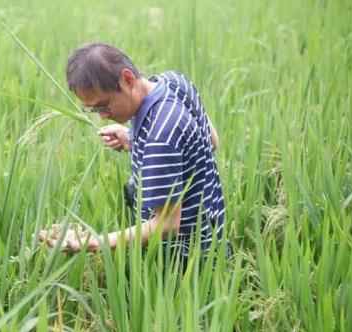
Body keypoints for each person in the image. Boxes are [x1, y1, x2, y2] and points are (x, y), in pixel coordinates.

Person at [39, 43, 227, 270]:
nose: (102, 117)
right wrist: (134, 140)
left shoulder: (160, 136)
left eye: (103, 106)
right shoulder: (174, 82)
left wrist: (93, 242)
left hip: (188, 263)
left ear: (127, 79)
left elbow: (167, 224)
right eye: (93, 110)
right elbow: (211, 141)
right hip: (215, 236)